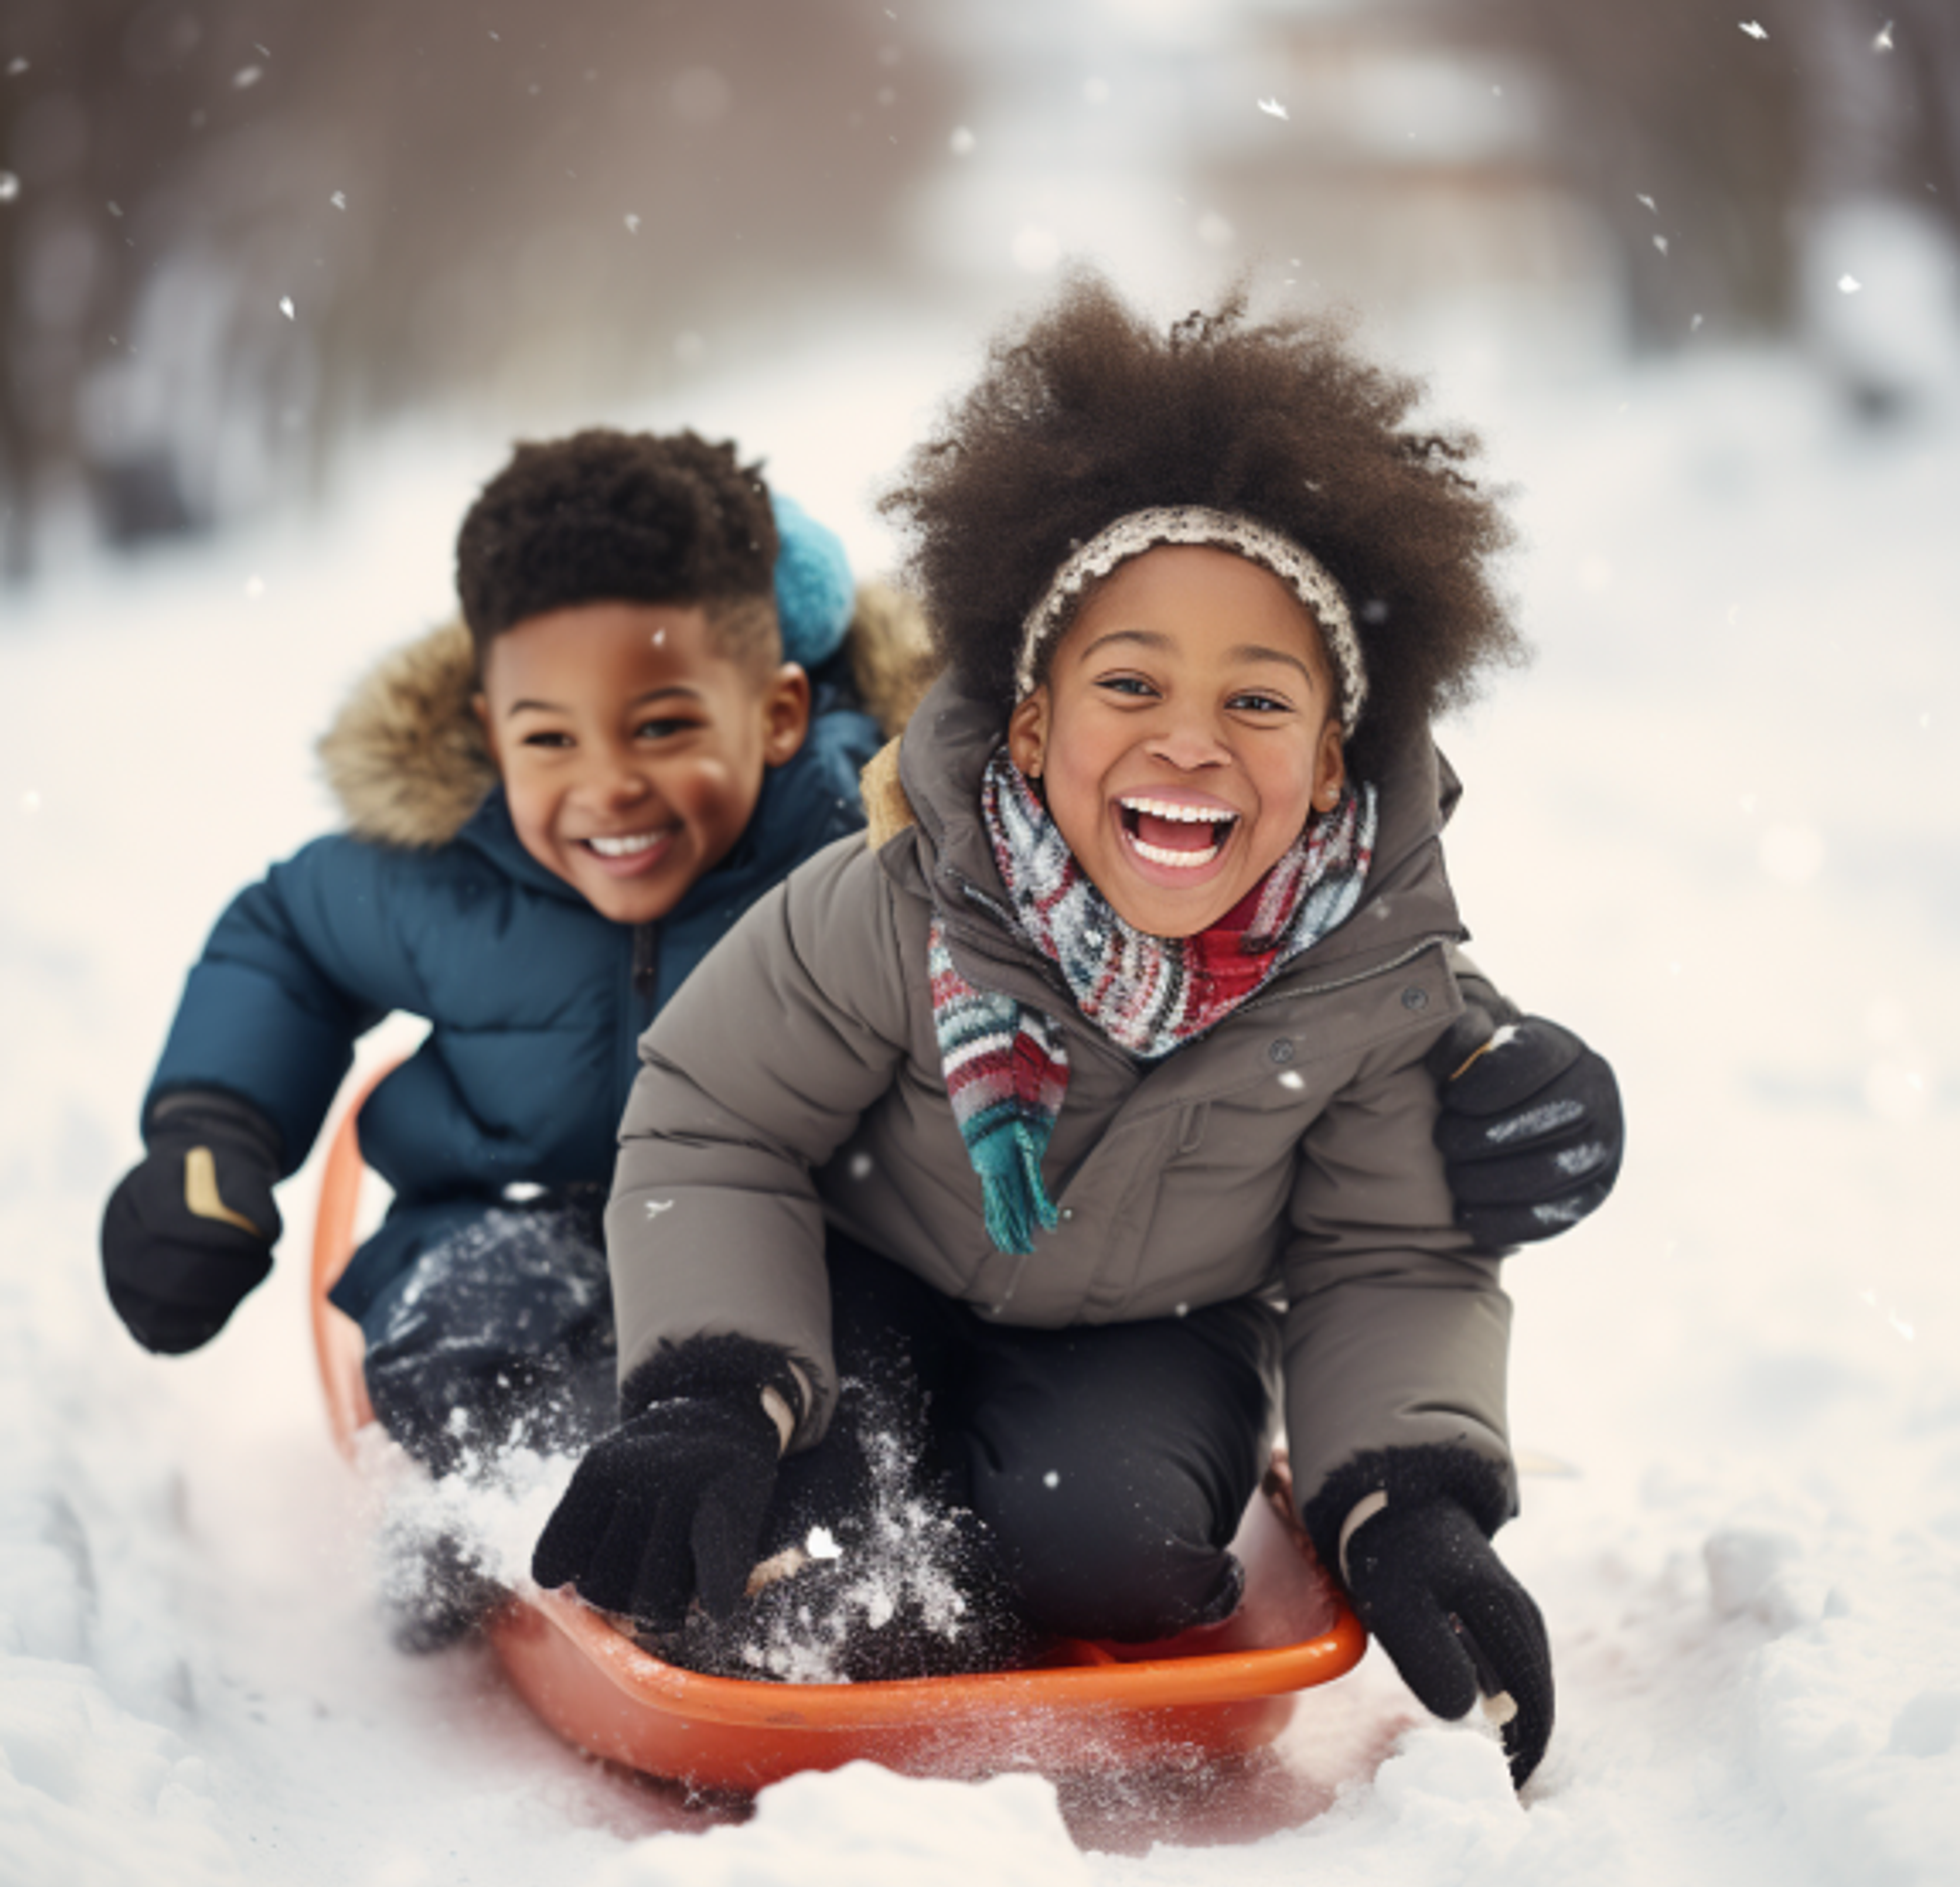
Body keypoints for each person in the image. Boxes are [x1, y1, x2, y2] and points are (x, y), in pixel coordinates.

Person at [529, 282, 1623, 1787]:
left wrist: (1410, 1502)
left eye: (1259, 702)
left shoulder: (1376, 985)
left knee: (1115, 1555)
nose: (1190, 740)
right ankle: (828, 1479)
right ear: (1033, 727)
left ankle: (997, 1550)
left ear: (1331, 763)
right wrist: (715, 1387)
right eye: (1130, 684)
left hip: (1159, 1325)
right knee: (804, 1519)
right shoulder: (899, 906)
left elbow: (1389, 1254)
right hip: (871, 1270)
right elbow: (718, 1121)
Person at [97, 429, 895, 1639]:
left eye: (663, 728)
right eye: (550, 739)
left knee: (882, 1356)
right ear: (490, 727)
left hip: (776, 1238)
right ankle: (509, 1498)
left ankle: (824, 1555)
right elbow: (283, 942)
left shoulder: (859, 851)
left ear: (779, 713)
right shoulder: (446, 873)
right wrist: (212, 1136)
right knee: (462, 1326)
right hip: (517, 1216)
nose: (606, 788)